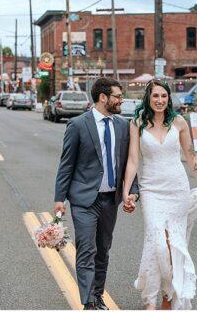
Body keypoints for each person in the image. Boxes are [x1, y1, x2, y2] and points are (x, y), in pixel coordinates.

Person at [53, 77, 138, 310]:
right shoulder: (78, 125)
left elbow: (127, 163)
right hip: (84, 200)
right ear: (103, 98)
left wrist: (133, 192)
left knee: (103, 251)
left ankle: (98, 295)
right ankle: (88, 302)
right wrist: (59, 198)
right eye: (118, 96)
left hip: (111, 199)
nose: (122, 100)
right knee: (87, 250)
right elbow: (66, 164)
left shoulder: (123, 125)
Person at [122, 79, 197, 310]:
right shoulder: (137, 123)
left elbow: (191, 154)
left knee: (173, 245)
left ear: (169, 99)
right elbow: (132, 160)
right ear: (148, 99)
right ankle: (150, 298)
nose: (159, 100)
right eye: (155, 96)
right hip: (151, 190)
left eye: (163, 96)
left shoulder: (179, 122)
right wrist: (126, 191)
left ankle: (168, 296)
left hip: (176, 188)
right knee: (157, 243)